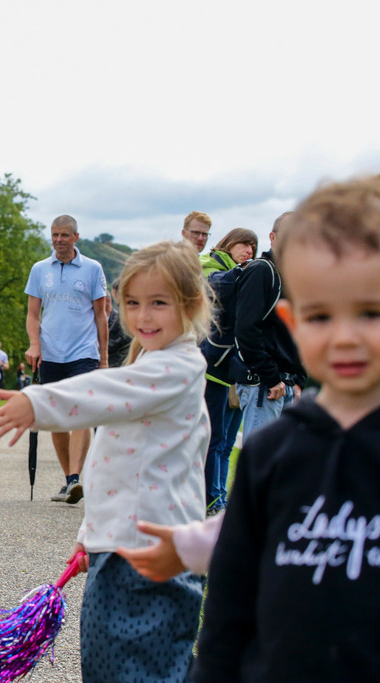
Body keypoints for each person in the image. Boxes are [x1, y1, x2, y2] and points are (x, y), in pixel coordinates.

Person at [0, 240, 212, 682]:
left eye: (158, 303)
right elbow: (119, 468)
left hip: (149, 557)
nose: (143, 316)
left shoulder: (176, 369)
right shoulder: (153, 361)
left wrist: (37, 402)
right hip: (120, 548)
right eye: (132, 303)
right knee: (113, 666)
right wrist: (91, 533)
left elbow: (101, 393)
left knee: (143, 670)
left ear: (192, 304)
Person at [194, 176, 380, 681]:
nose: (344, 337)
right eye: (321, 315)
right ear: (294, 323)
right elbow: (227, 615)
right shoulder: (270, 453)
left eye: (370, 312)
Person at [25, 215, 109, 504]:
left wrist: (104, 358)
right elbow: (33, 314)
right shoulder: (39, 270)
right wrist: (34, 345)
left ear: (75, 237)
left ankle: (75, 477)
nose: (59, 240)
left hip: (83, 353)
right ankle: (68, 480)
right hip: (50, 353)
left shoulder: (92, 269)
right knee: (57, 418)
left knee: (80, 413)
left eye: (64, 235)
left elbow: (101, 316)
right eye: (54, 235)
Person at [199, 227, 259, 514]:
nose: (248, 250)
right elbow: (214, 287)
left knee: (225, 440)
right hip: (210, 365)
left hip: (233, 367)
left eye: (253, 246)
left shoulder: (242, 271)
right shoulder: (210, 265)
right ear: (229, 243)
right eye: (244, 244)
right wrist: (242, 273)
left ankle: (219, 496)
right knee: (213, 436)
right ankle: (210, 497)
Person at [232, 213, 307, 438]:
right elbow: (245, 329)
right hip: (263, 385)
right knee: (260, 465)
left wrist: (297, 379)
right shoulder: (262, 271)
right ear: (273, 237)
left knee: (282, 465)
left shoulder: (293, 277)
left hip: (285, 384)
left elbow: (295, 332)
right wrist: (272, 377)